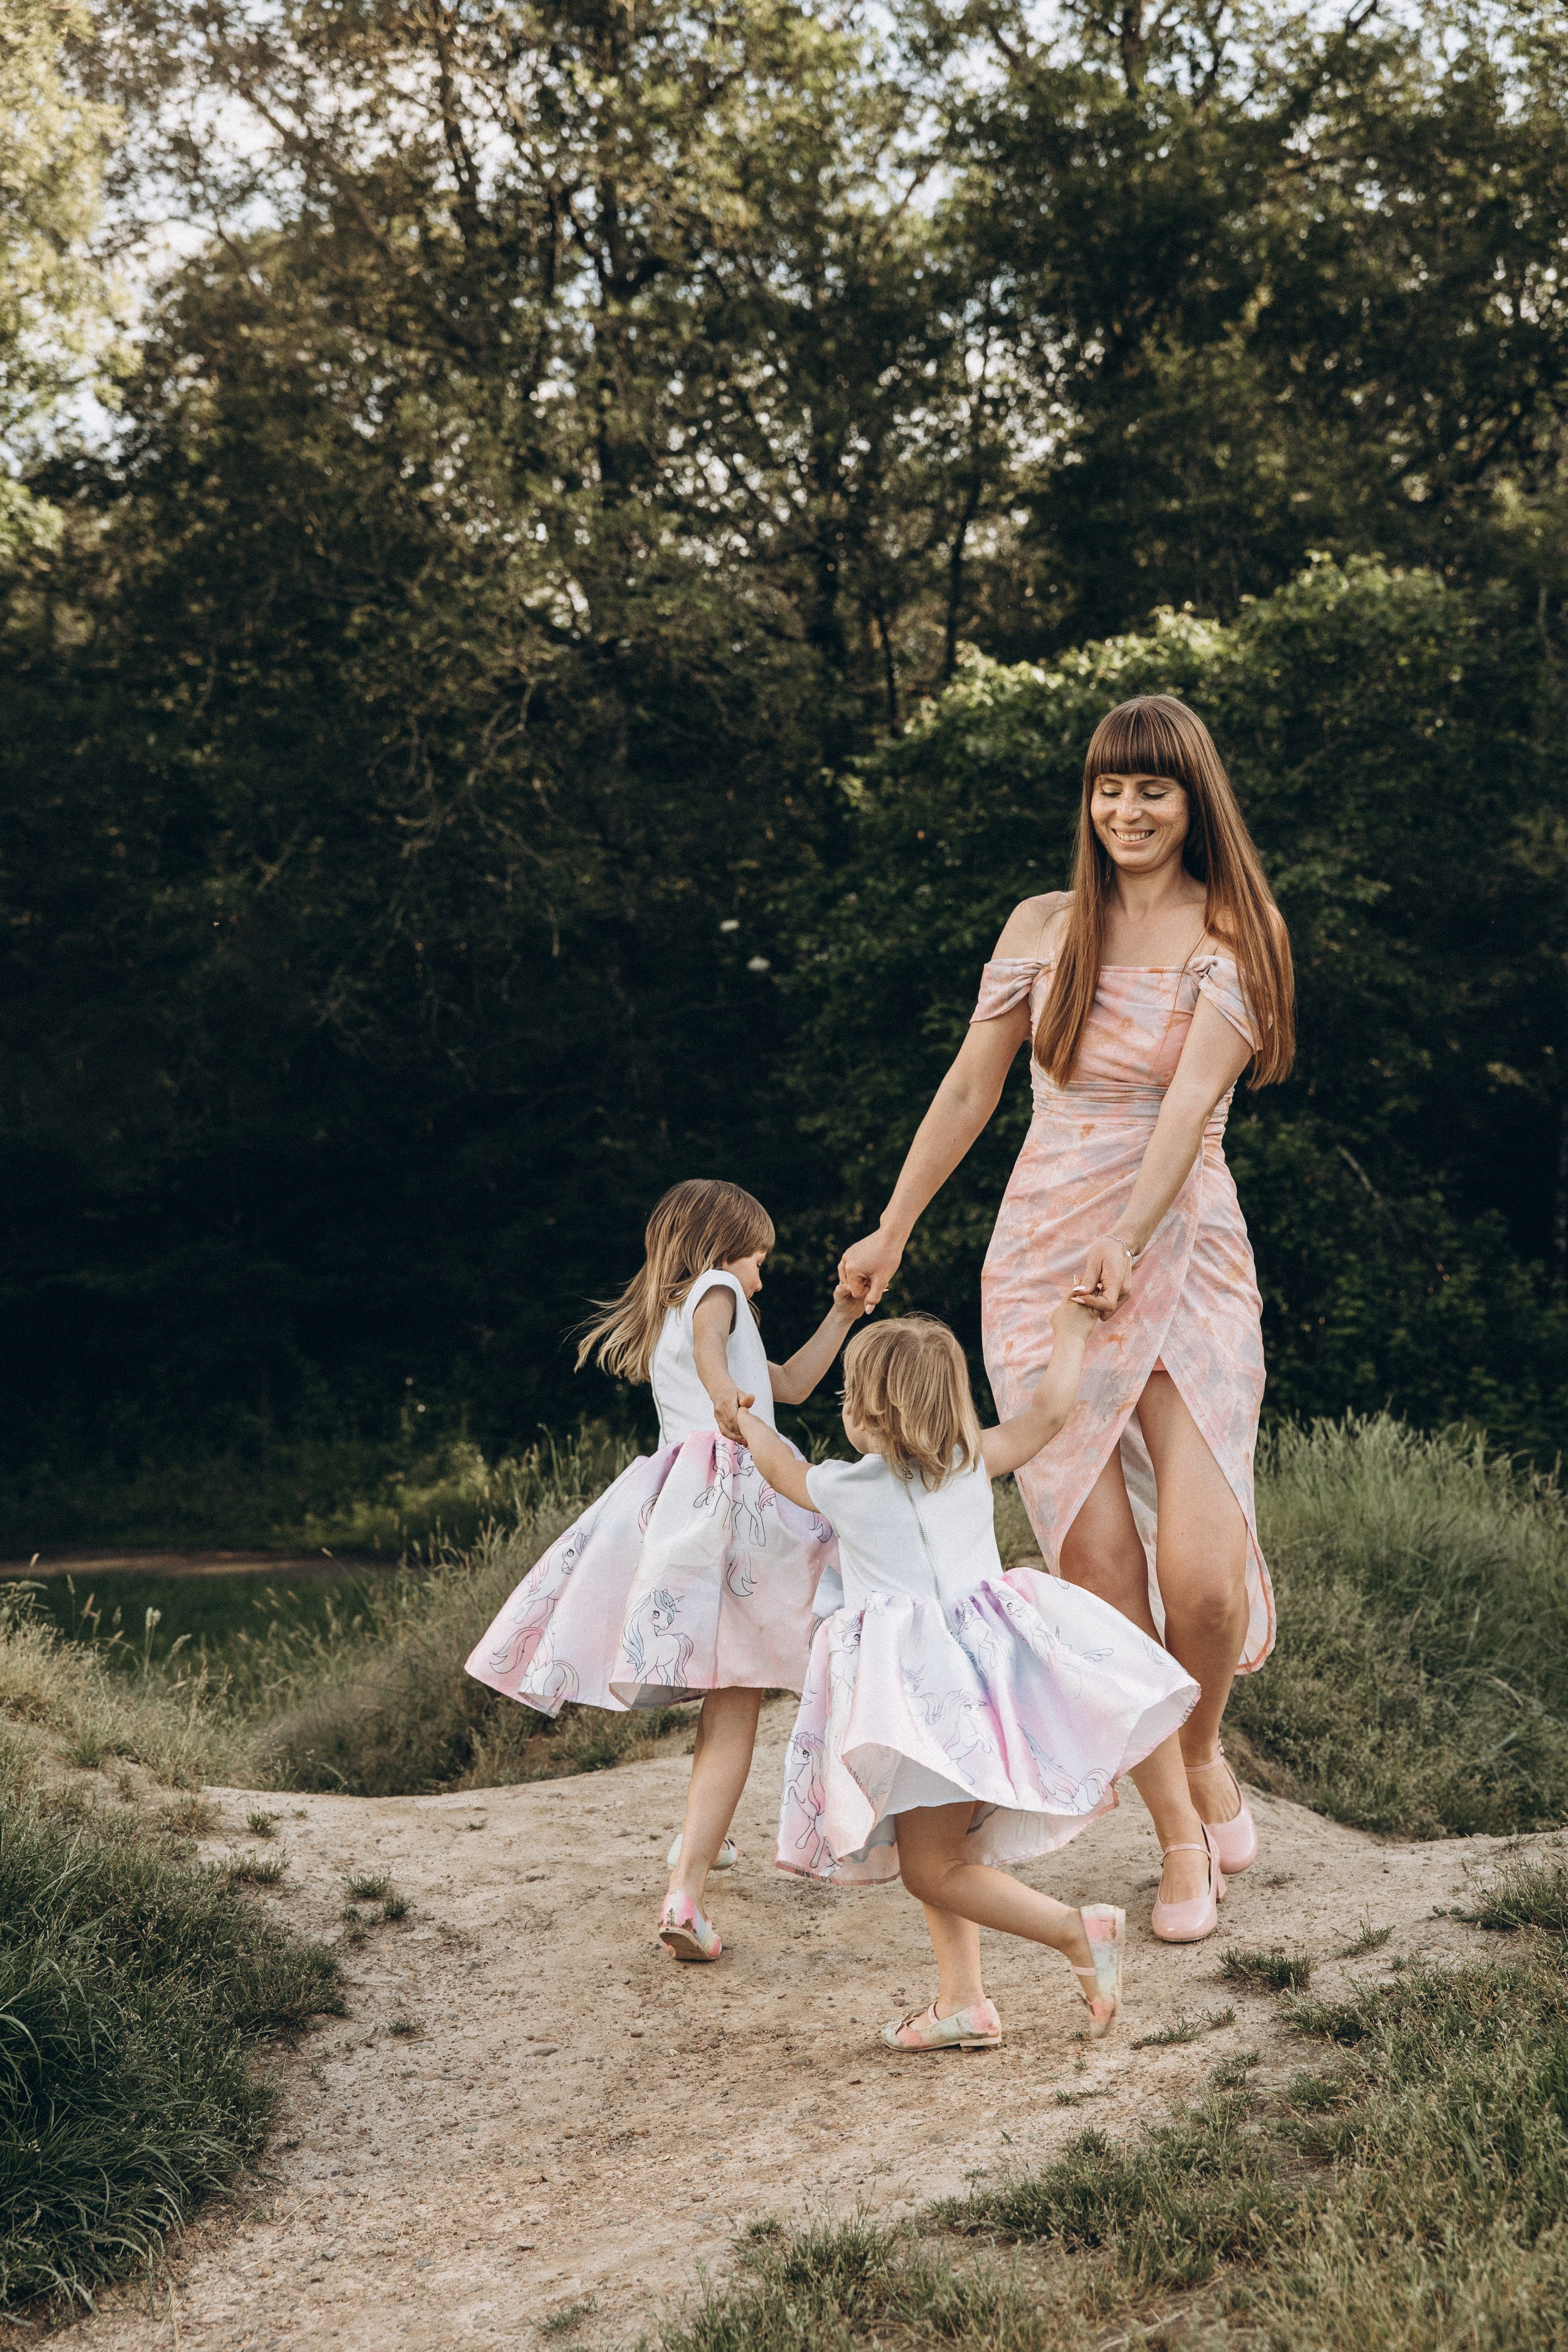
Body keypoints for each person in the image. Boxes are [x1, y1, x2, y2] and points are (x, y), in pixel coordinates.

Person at [838, 695, 1295, 1933]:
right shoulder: (1042, 927)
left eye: (1152, 789)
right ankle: (1178, 1837)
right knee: (1097, 1576)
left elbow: (1185, 1108)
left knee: (1201, 1582)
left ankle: (1201, 1747)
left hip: (1183, 1252)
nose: (1126, 811)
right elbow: (970, 1087)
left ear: (1193, 800)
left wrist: (1129, 1240)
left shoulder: (1234, 930)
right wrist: (893, 1225)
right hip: (1043, 1255)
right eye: (1108, 787)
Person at [739, 1308, 1199, 2050]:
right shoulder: (972, 1459)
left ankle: (1075, 1933)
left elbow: (777, 1469)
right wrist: (1070, 1332)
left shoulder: (845, 1487)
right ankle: (963, 2002)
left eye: (850, 1397)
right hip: (991, 1691)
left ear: (869, 1410)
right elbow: (1049, 1412)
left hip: (921, 1702)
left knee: (931, 1870)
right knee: (943, 1849)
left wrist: (746, 1423)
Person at [466, 1177, 859, 1962]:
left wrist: (844, 1313)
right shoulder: (716, 1291)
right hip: (737, 1497)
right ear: (722, 1247)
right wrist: (725, 1401)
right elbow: (720, 1354)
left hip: (684, 1504)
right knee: (740, 1698)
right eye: (757, 1259)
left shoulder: (677, 1311)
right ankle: (685, 1892)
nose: (759, 1279)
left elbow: (790, 1384)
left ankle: (702, 1844)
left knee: (725, 1688)